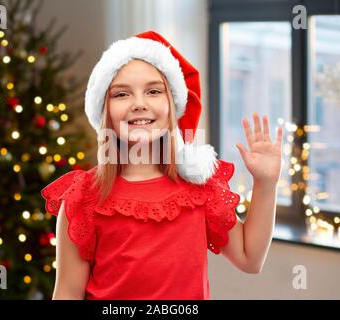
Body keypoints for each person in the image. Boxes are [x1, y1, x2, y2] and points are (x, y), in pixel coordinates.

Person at [41, 30, 283, 300]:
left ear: (172, 105)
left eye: (153, 91)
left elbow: (250, 258)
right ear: (104, 110)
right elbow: (67, 293)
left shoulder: (200, 187)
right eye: (122, 94)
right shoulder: (83, 197)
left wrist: (266, 183)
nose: (139, 104)